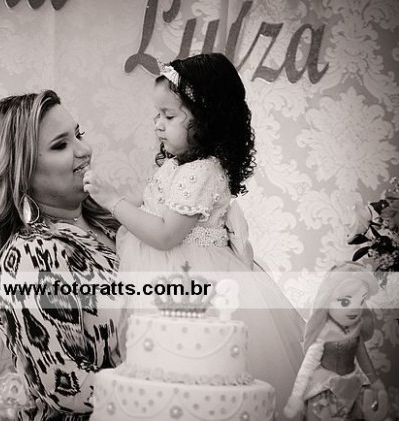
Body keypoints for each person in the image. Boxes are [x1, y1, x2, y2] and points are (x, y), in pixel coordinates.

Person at [83, 52, 305, 418]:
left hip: (191, 280)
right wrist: (100, 206)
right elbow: (145, 209)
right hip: (166, 276)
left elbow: (166, 234)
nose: (157, 124)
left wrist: (112, 200)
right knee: (161, 375)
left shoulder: (202, 171)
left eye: (168, 116)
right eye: (157, 114)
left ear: (207, 119)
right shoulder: (176, 166)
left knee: (193, 371)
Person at [0, 90, 126, 421]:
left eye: (79, 134)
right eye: (60, 145)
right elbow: (68, 388)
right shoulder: (32, 256)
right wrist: (171, 396)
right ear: (22, 171)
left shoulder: (115, 223)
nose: (84, 150)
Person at [284, 262, 389, 420]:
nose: (355, 308)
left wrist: (375, 381)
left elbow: (364, 359)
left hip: (352, 384)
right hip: (325, 387)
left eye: (361, 302)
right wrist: (296, 395)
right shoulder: (323, 334)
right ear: (328, 301)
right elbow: (307, 366)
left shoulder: (355, 333)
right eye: (345, 302)